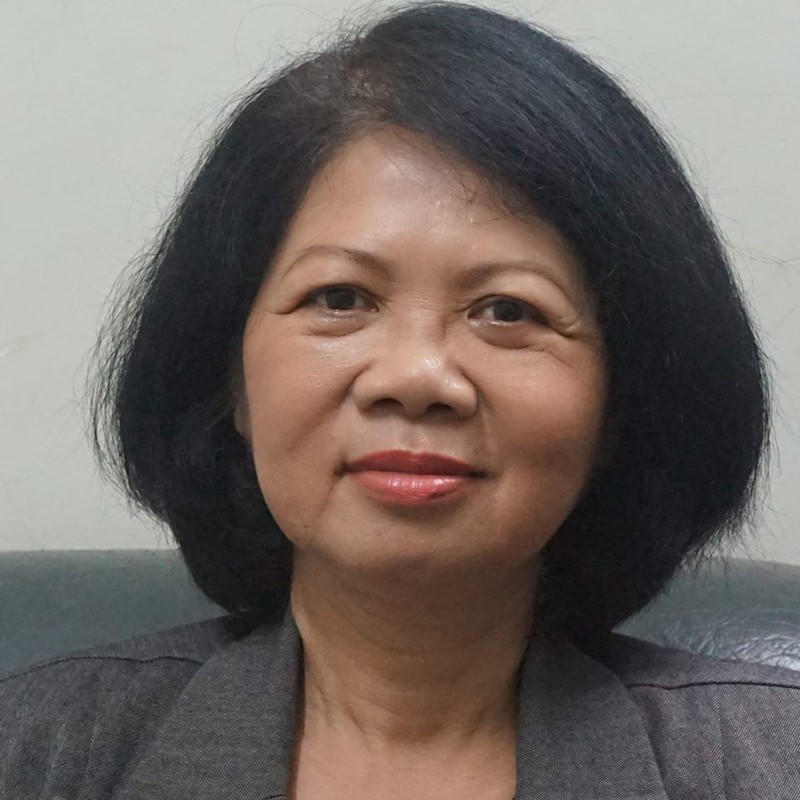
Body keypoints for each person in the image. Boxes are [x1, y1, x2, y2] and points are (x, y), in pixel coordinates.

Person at [2, 1, 798, 798]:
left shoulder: (770, 759)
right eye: (340, 298)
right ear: (230, 378)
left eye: (507, 310)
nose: (416, 376)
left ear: (619, 406)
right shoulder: (41, 749)